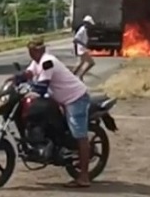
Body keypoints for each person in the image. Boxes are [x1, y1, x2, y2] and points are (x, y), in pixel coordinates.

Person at [17, 36, 92, 188]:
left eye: (35, 49)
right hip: (60, 98)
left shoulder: (47, 61)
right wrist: (13, 80)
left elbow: (41, 87)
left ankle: (84, 176)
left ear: (42, 49)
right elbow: (28, 74)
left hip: (75, 98)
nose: (32, 53)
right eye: (31, 50)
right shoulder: (37, 61)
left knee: (79, 134)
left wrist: (30, 91)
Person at [72, 15, 96, 81]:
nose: (90, 26)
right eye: (89, 24)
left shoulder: (84, 29)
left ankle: (72, 76)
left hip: (82, 49)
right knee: (91, 62)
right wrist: (83, 45)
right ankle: (80, 75)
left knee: (80, 63)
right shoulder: (82, 30)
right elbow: (75, 39)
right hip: (81, 49)